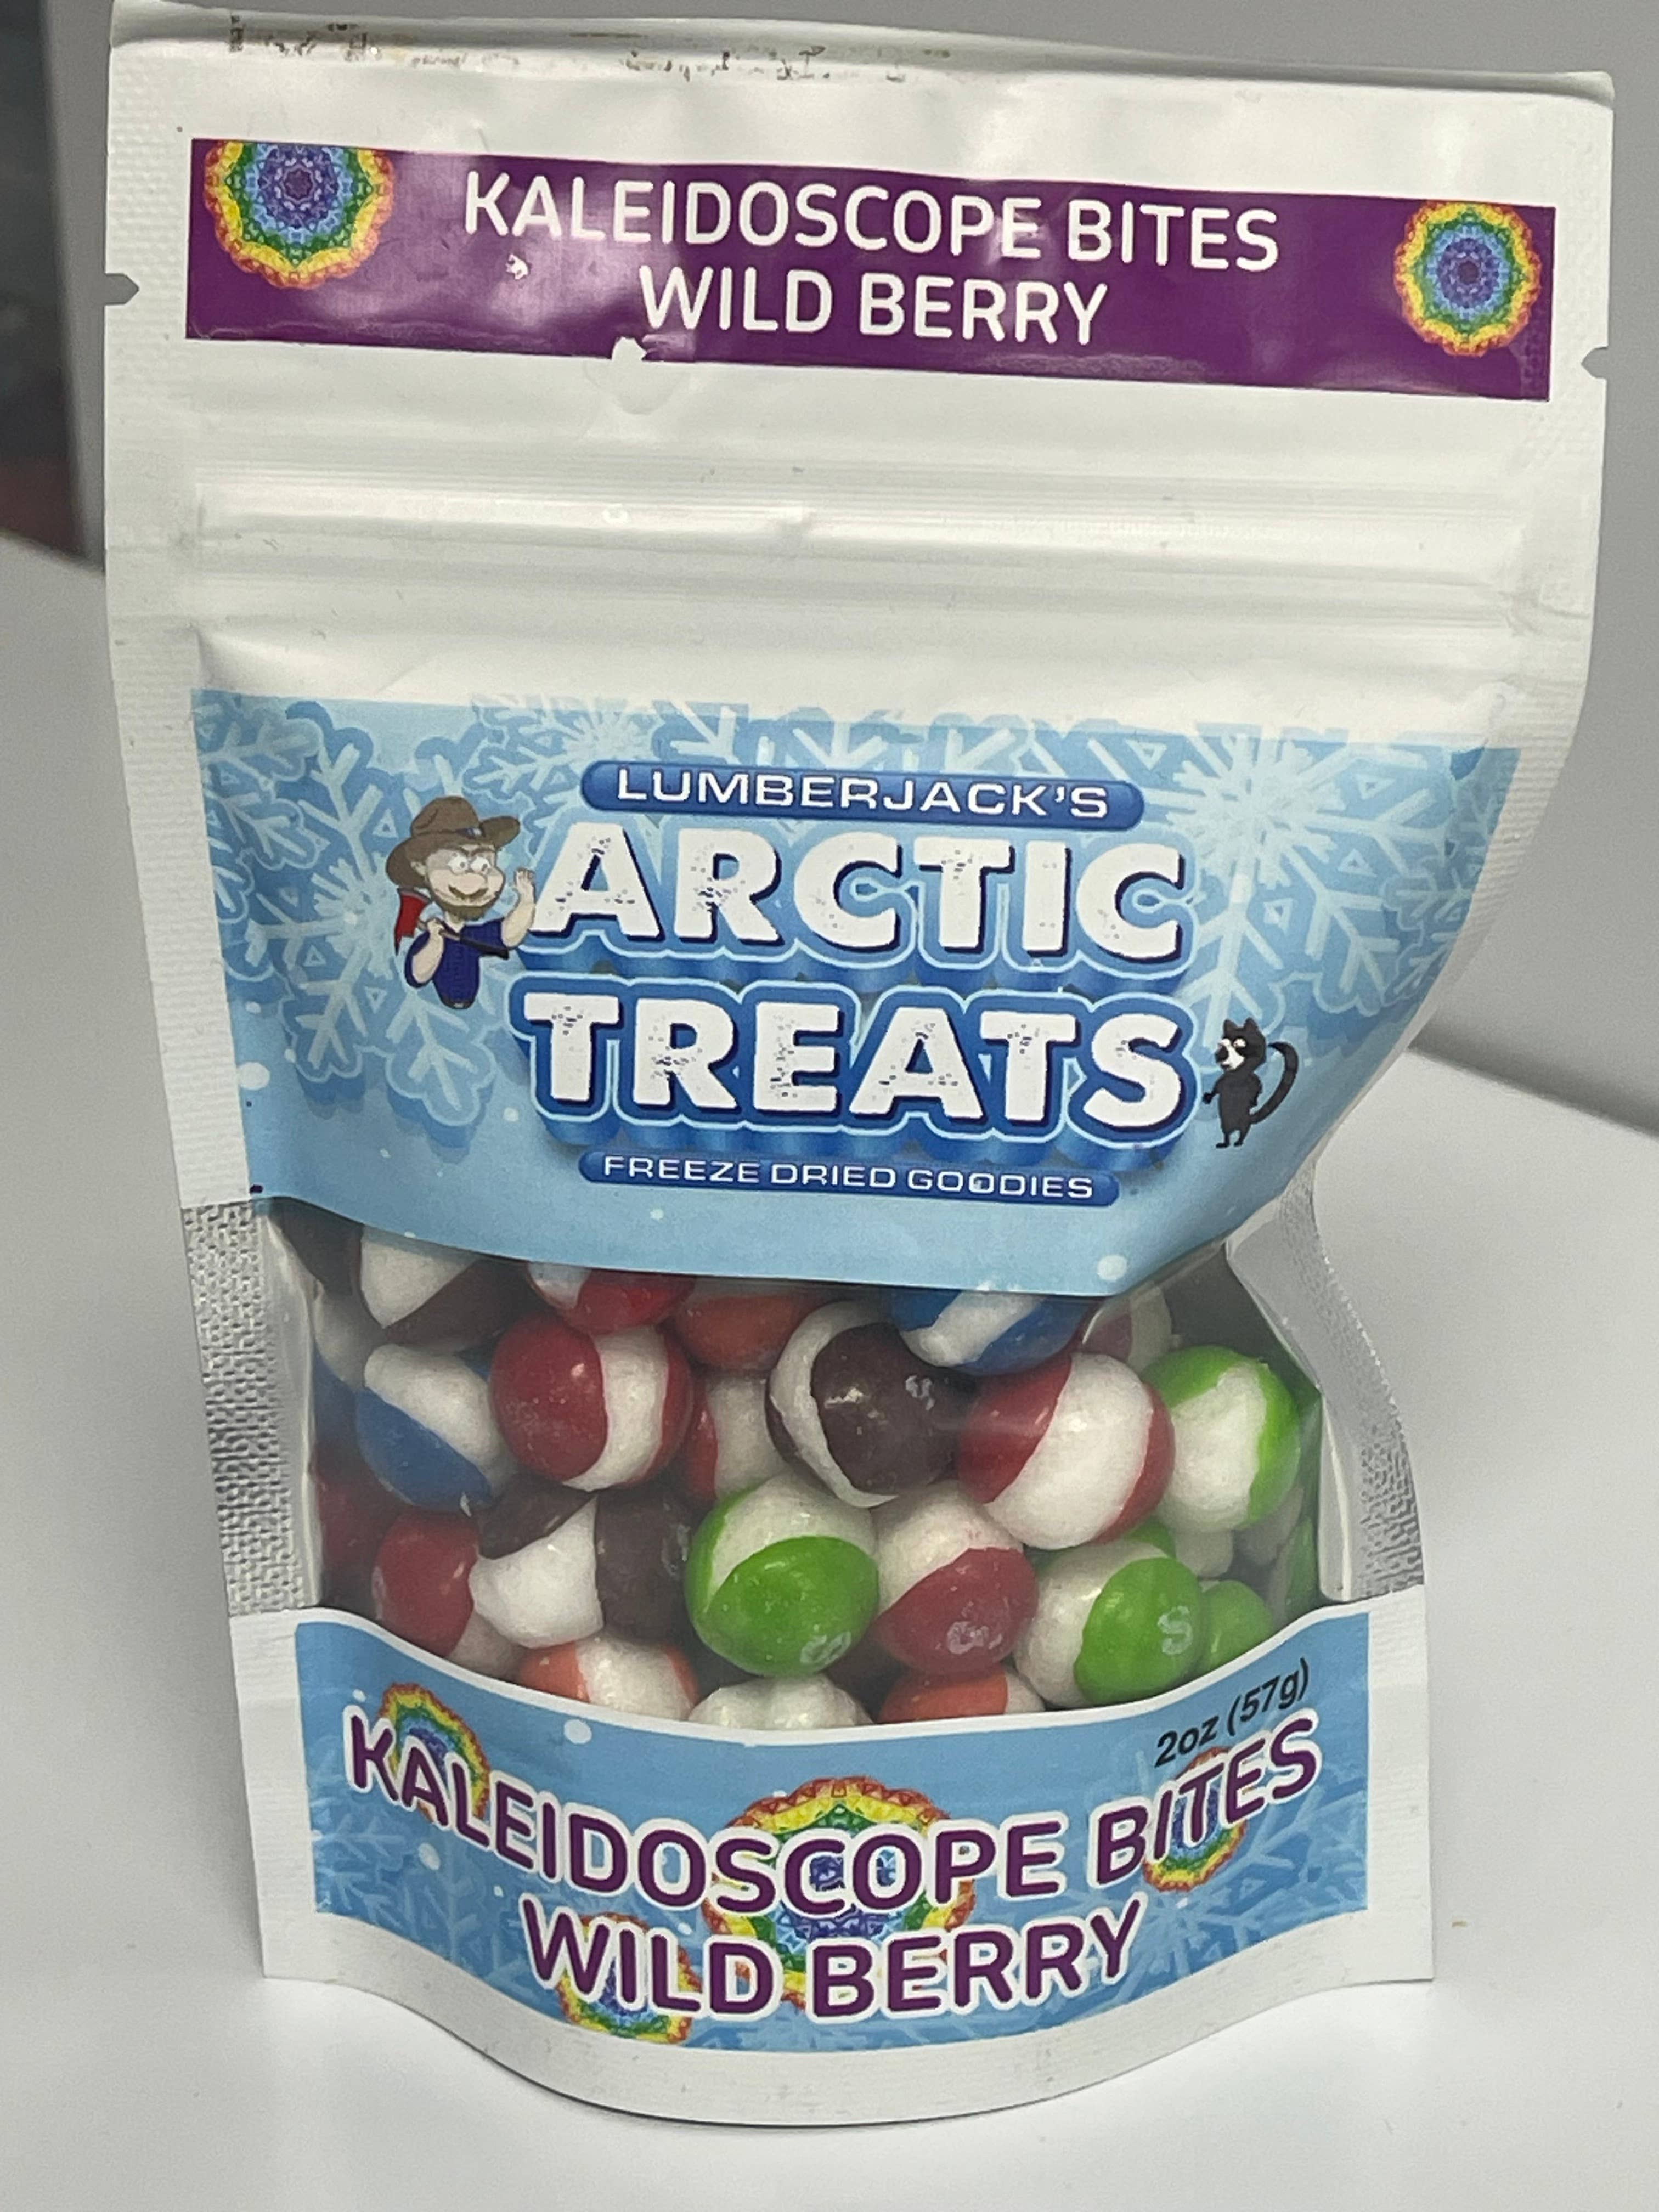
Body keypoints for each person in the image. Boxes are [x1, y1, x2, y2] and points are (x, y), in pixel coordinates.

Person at [384, 796, 537, 1009]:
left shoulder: (474, 936)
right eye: (458, 864)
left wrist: (526, 900)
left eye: (484, 864)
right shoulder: (432, 938)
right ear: (421, 867)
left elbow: (509, 935)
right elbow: (418, 975)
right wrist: (436, 941)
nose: (475, 879)